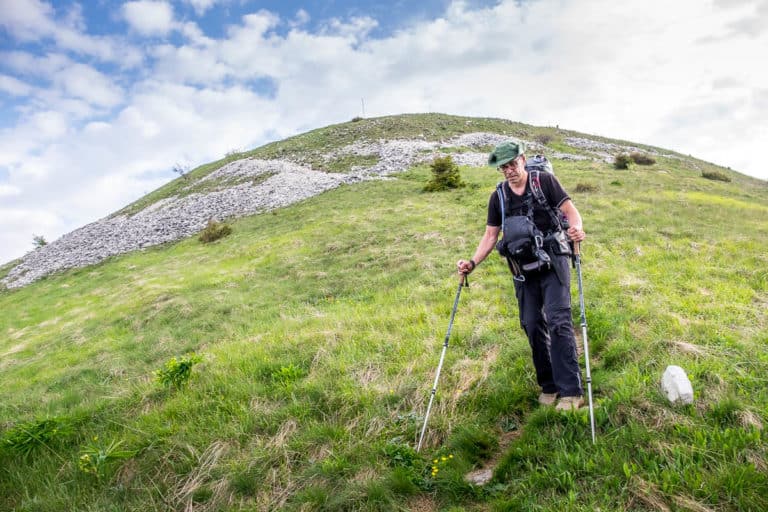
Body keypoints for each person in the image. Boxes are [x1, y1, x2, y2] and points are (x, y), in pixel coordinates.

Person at [457, 139, 587, 411]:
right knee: (531, 323)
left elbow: (570, 212)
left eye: (513, 164)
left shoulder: (544, 181)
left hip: (553, 259)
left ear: (523, 160)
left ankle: (571, 391)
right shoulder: (499, 197)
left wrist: (576, 228)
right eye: (503, 168)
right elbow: (491, 235)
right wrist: (472, 262)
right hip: (522, 267)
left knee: (558, 320)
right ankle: (549, 385)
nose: (509, 171)